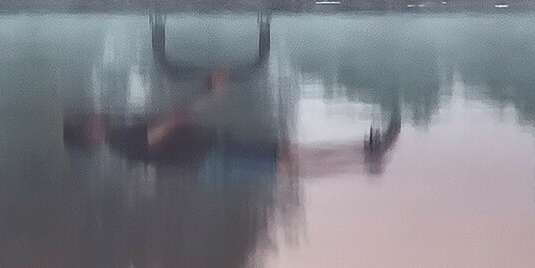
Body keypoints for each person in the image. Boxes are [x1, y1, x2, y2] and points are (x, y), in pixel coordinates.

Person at [62, 69, 401, 179]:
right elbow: (169, 123)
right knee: (286, 162)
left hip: (211, 154)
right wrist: (207, 92)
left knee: (287, 156)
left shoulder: (121, 133)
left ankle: (365, 152)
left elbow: (167, 124)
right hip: (212, 162)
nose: (93, 115)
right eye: (86, 122)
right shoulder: (121, 141)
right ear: (90, 137)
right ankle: (365, 158)